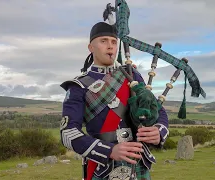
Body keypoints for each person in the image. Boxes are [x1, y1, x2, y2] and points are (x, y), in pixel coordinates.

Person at [60, 21, 169, 180]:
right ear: (91, 47)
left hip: (138, 162)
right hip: (104, 167)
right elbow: (68, 133)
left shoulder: (133, 76)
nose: (110, 46)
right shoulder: (78, 86)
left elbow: (157, 110)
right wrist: (109, 150)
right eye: (103, 41)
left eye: (113, 42)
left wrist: (159, 131)